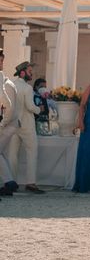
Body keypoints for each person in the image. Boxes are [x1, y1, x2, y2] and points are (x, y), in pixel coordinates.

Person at [9, 62, 44, 193]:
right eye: (30, 71)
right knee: (32, 153)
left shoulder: (10, 85)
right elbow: (30, 106)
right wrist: (39, 109)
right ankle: (31, 183)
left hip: (13, 124)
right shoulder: (27, 88)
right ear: (22, 72)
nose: (32, 73)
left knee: (12, 154)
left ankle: (11, 182)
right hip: (27, 125)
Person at [0, 49, 19, 196]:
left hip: (7, 124)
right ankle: (8, 183)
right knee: (1, 154)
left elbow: (9, 108)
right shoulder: (8, 82)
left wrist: (2, 123)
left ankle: (9, 182)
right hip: (10, 124)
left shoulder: (6, 83)